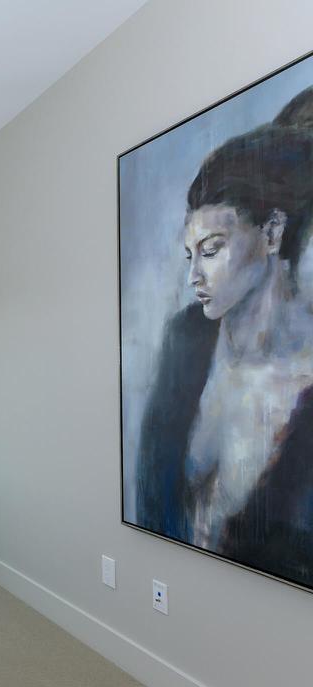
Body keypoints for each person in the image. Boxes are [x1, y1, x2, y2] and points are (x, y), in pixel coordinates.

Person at [135, 89, 313, 589]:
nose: (195, 274)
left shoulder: (303, 381)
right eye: (190, 254)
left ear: (273, 233)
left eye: (211, 250)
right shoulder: (186, 339)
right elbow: (154, 489)